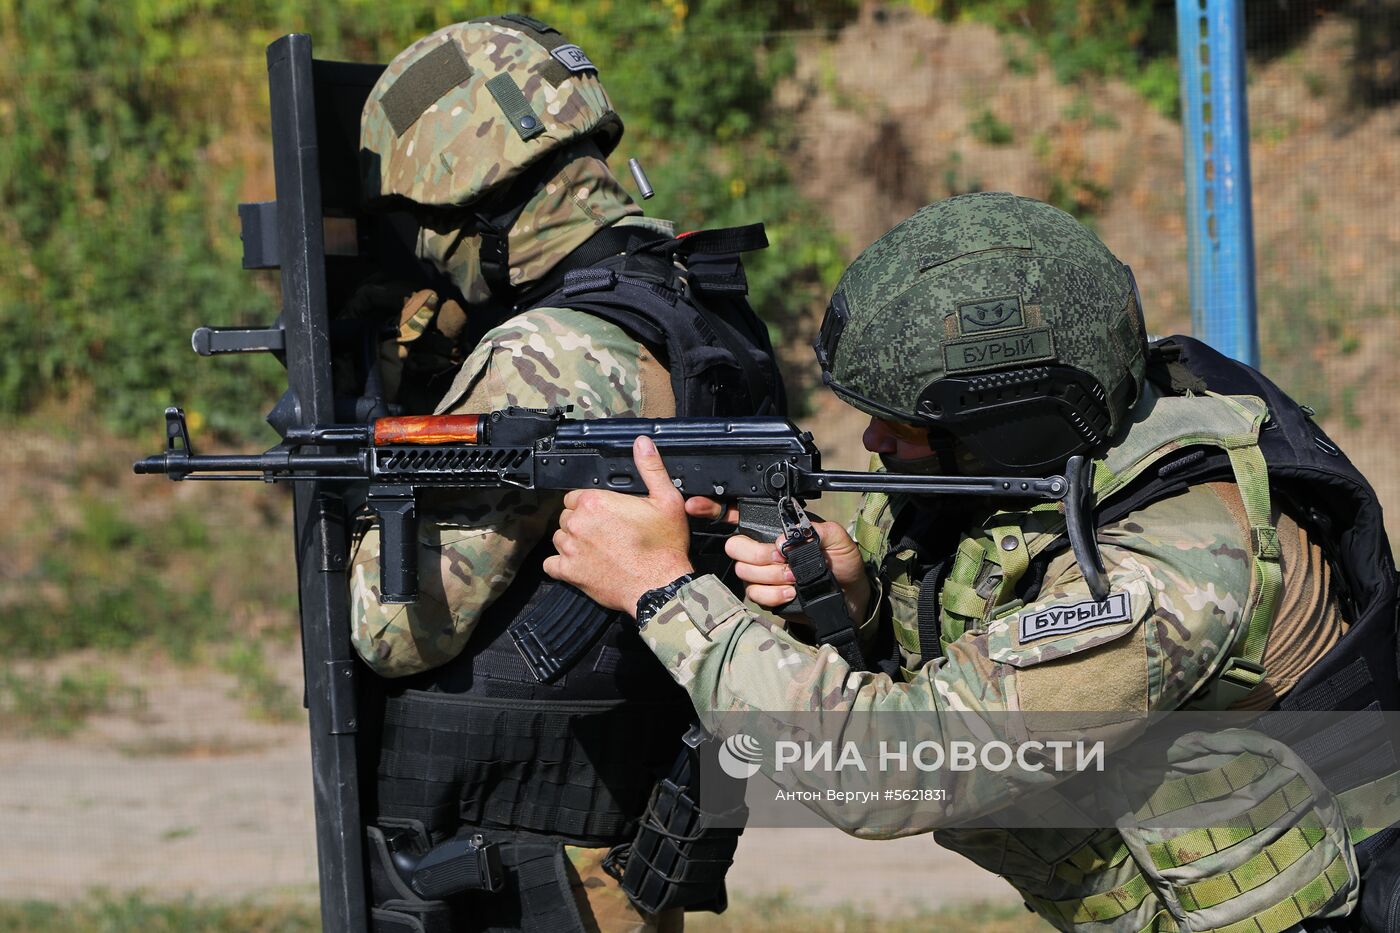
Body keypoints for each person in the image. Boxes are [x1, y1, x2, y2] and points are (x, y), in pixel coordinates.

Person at [545, 192, 1400, 931]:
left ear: (1012, 419)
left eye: (904, 426)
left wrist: (662, 592)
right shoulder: (1058, 463)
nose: (872, 443)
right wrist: (858, 599)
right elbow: (982, 629)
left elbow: (886, 768)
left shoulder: (1170, 571)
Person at [348, 15, 784, 933]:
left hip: (525, 870)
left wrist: (364, 454)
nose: (424, 249)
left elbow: (397, 631)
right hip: (621, 836)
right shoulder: (694, 299)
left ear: (472, 200)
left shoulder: (547, 351)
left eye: (423, 225)